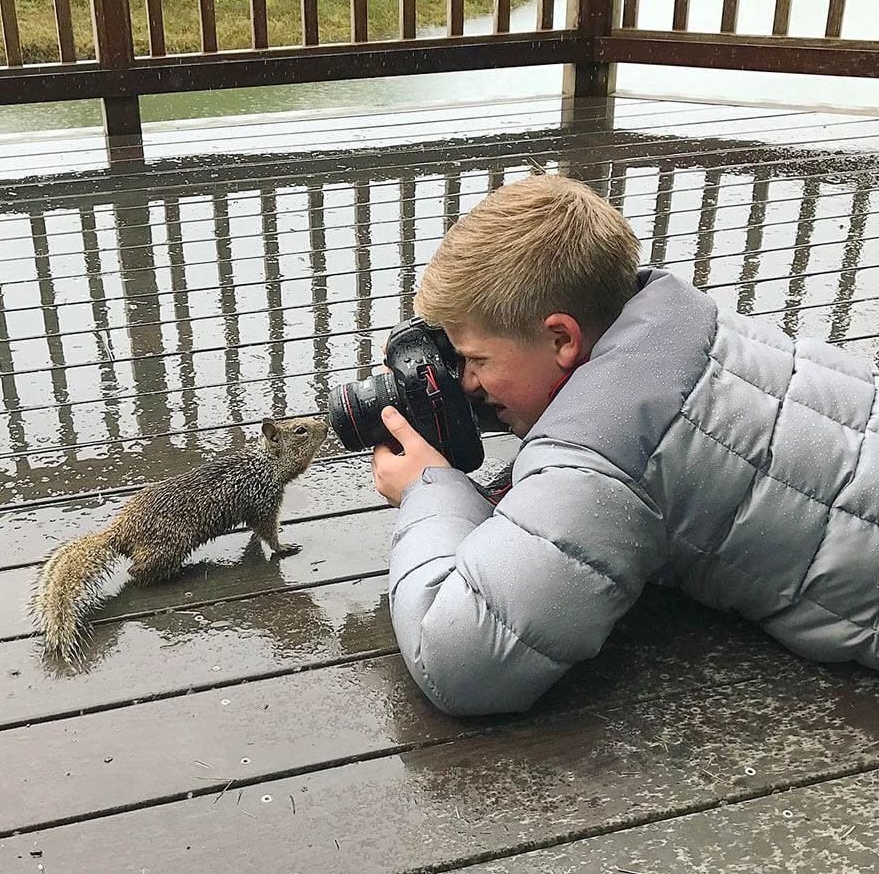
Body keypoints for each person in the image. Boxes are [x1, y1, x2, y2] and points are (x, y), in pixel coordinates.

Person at [370, 174, 879, 717]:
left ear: (562, 338)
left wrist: (430, 489)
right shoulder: (683, 323)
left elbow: (459, 663)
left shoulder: (600, 458)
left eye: (477, 361)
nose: (467, 381)